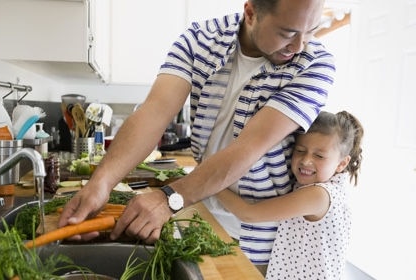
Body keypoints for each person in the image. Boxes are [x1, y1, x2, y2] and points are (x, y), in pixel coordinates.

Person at [58, 0, 335, 269]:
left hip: (258, 240)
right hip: (195, 215)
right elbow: (154, 112)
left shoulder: (315, 64)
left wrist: (169, 198)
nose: (300, 46)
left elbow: (248, 148)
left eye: (311, 30)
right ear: (250, 13)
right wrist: (102, 183)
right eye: (287, 32)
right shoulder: (200, 39)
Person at [217, 110, 364, 278]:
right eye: (300, 150)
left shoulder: (319, 195)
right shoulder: (331, 187)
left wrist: (211, 185)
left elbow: (249, 213)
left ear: (342, 163)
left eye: (319, 155)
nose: (306, 160)